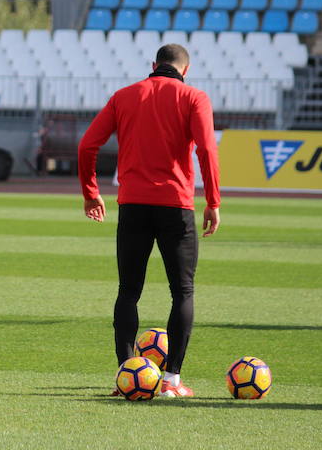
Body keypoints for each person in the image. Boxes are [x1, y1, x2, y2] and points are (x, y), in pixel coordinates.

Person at [77, 43, 220, 398]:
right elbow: (206, 149)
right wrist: (213, 200)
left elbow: (86, 146)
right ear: (185, 70)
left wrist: (91, 192)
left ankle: (126, 376)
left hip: (133, 205)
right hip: (176, 206)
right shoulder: (194, 97)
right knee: (182, 291)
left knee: (128, 291)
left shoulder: (124, 96)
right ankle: (172, 380)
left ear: (153, 65)